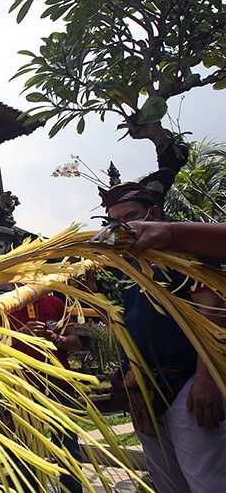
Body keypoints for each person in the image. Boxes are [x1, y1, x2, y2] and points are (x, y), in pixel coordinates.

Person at [100, 180, 226, 493]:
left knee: (208, 482)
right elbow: (134, 325)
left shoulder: (188, 257)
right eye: (116, 223)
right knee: (168, 484)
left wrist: (206, 380)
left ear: (154, 213)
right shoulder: (130, 269)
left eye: (131, 218)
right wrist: (127, 371)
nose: (124, 228)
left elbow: (214, 319)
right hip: (146, 390)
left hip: (189, 386)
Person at [8, 293, 84, 493]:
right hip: (23, 386)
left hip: (59, 385)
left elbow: (76, 342)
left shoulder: (55, 303)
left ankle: (72, 489)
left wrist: (56, 338)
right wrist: (22, 333)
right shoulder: (6, 305)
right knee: (26, 446)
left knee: (67, 444)